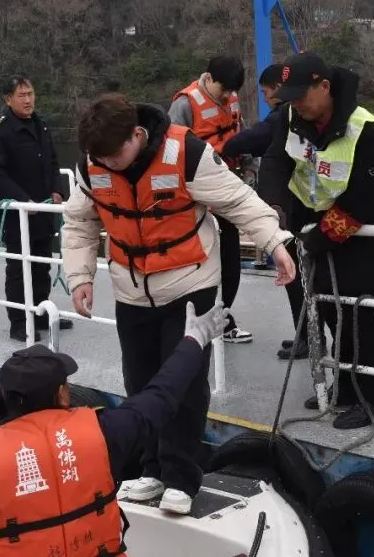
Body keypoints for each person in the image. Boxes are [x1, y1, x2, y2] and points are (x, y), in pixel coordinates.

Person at [61, 94, 295, 514]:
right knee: (141, 382)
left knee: (185, 385)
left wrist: (274, 243)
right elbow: (79, 224)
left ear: (137, 135)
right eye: (101, 159)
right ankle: (151, 469)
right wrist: (80, 277)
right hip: (131, 291)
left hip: (190, 286)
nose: (109, 165)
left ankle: (181, 478)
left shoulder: (186, 153)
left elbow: (239, 201)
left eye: (115, 156)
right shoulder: (91, 166)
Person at [0, 300, 230, 556]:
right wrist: (194, 340)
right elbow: (161, 396)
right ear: (62, 395)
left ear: (5, 397)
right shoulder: (104, 434)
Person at [259, 52, 374, 430]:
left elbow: (362, 198)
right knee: (332, 314)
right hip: (310, 229)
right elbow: (276, 162)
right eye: (291, 97)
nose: (297, 104)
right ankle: (345, 390)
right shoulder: (292, 118)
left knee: (363, 319)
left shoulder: (363, 128)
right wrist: (274, 207)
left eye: (302, 95)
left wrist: (318, 239)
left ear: (325, 87)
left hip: (357, 235)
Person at [223, 63, 310, 360]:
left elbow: (249, 139)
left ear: (277, 89)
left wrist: (221, 147)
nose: (265, 97)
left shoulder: (282, 117)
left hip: (293, 207)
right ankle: (306, 335)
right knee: (301, 278)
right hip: (297, 204)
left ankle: (307, 338)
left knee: (298, 277)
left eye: (265, 92)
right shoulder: (291, 115)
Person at [169, 56, 252, 344]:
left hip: (226, 191)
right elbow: (171, 151)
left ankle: (224, 319)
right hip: (195, 198)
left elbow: (242, 133)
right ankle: (191, 322)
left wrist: (250, 168)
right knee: (196, 263)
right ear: (208, 78)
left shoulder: (232, 100)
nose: (228, 95)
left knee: (231, 260)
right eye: (223, 89)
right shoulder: (184, 104)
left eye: (232, 91)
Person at [0, 77, 71, 342]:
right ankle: (19, 321)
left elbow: (52, 162)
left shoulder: (40, 125)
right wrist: (22, 200)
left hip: (43, 212)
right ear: (8, 99)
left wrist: (57, 190)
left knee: (41, 265)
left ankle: (40, 313)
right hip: (16, 214)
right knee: (19, 270)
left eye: (30, 93)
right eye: (21, 95)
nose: (28, 100)